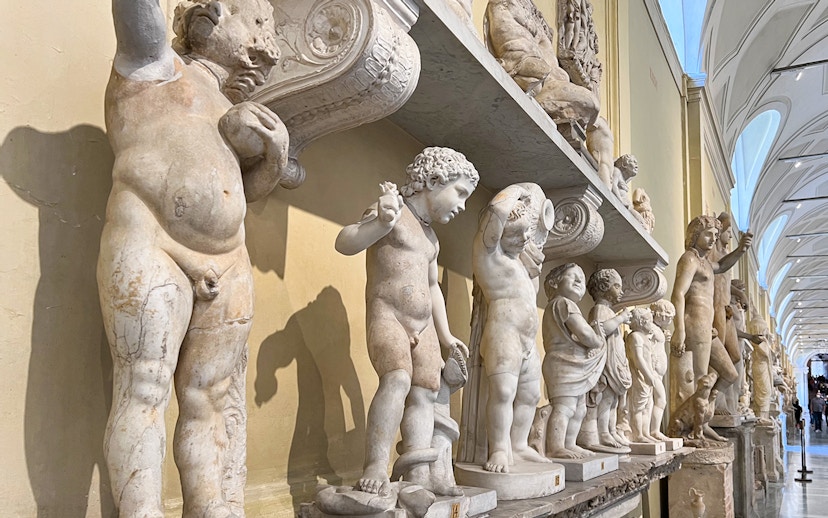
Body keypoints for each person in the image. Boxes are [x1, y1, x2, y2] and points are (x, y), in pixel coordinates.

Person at [98, 1, 289, 515]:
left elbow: (247, 194)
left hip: (229, 261)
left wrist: (275, 155)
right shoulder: (156, 63)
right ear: (215, 16)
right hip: (152, 242)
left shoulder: (227, 108)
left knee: (212, 399)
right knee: (144, 387)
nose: (267, 45)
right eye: (258, 23)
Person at [335, 147, 478, 495]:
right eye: (459, 193)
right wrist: (380, 221)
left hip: (424, 325)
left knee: (426, 393)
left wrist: (445, 335)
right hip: (389, 317)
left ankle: (418, 472)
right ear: (433, 181)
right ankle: (375, 466)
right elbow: (345, 242)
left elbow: (433, 286)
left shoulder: (431, 238)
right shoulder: (391, 211)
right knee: (397, 379)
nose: (462, 206)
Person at [472, 184, 554, 473]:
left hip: (527, 340)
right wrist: (519, 190)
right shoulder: (489, 255)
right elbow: (495, 212)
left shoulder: (519, 262)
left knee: (530, 395)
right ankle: (499, 449)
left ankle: (518, 445)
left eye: (525, 232)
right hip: (503, 333)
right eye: (515, 234)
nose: (523, 239)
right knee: (503, 393)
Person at [541, 264, 630, 459]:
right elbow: (584, 333)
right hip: (563, 362)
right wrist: (597, 339)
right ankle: (555, 447)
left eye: (581, 278)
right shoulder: (563, 303)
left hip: (573, 364)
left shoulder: (564, 305)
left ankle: (570, 444)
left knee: (580, 409)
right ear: (555, 283)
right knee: (564, 407)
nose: (579, 282)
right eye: (573, 277)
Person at [671, 215, 753, 404]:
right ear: (696, 234)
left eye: (715, 236)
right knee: (700, 377)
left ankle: (703, 411)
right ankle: (695, 426)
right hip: (695, 323)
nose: (713, 240)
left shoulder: (705, 263)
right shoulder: (690, 259)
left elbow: (722, 265)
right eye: (708, 234)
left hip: (707, 327)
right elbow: (678, 294)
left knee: (730, 373)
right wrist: (680, 330)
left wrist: (740, 250)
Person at [585, 269, 632, 450]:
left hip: (615, 363)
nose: (621, 291)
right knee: (605, 399)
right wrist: (620, 318)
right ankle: (602, 432)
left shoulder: (608, 310)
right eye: (617, 286)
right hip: (605, 365)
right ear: (604, 287)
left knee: (612, 401)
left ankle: (611, 431)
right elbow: (601, 330)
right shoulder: (599, 309)